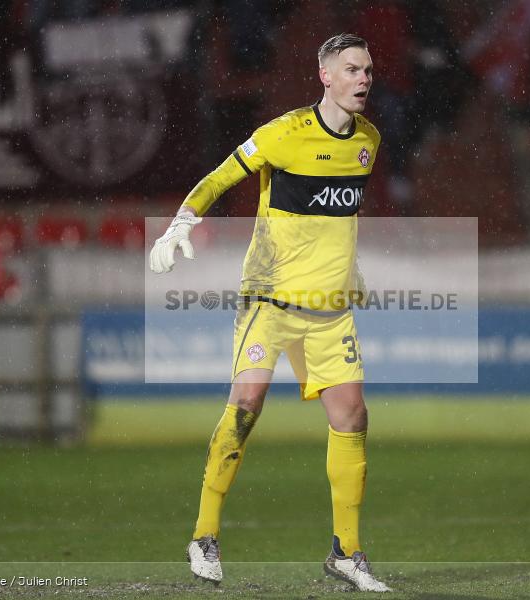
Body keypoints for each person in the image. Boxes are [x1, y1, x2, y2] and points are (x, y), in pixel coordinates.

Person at [149, 33, 391, 593]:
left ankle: (346, 553)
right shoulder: (282, 135)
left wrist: (347, 271)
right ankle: (204, 536)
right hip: (270, 301)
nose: (364, 79)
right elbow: (220, 177)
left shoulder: (368, 142)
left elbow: (337, 217)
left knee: (352, 416)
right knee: (247, 404)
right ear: (325, 76)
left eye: (370, 70)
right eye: (353, 69)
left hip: (328, 312)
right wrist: (182, 222)